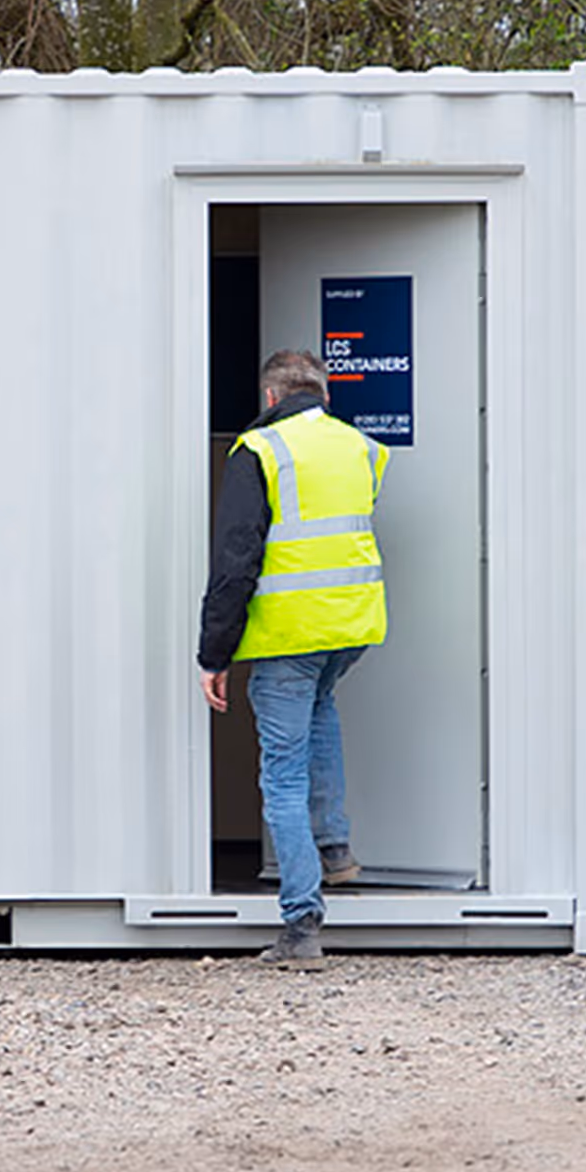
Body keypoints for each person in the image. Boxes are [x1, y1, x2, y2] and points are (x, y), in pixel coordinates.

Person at [196, 347, 389, 969]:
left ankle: (301, 925)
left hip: (290, 633)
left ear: (271, 398)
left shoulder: (260, 450)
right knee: (321, 713)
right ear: (323, 395)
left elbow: (235, 562)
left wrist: (213, 652)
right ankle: (335, 848)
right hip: (352, 623)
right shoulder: (360, 447)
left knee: (281, 773)